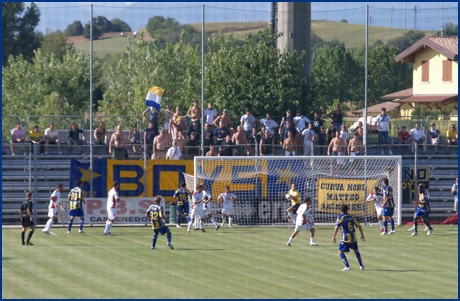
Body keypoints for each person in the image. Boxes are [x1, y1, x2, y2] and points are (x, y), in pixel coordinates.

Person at [332, 204, 365, 271]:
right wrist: (362, 234)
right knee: (356, 251)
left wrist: (334, 236)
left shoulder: (341, 217)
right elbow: (358, 225)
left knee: (340, 251)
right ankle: (361, 266)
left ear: (341, 210)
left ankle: (347, 266)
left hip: (346, 238)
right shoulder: (352, 216)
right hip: (353, 237)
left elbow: (337, 227)